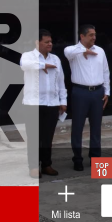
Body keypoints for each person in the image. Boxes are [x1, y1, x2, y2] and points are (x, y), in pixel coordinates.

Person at [20, 29, 67, 178]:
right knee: (34, 137)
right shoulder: (28, 56)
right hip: (33, 104)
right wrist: (43, 65)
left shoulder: (55, 59)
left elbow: (61, 81)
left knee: (48, 137)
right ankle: (34, 167)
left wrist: (63, 101)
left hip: (51, 103)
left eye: (51, 41)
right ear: (37, 42)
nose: (50, 44)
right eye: (46, 42)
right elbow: (24, 65)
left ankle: (46, 165)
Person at [64, 24, 110, 171]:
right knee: (78, 127)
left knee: (96, 127)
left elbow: (105, 71)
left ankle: (95, 158)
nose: (94, 37)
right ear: (82, 36)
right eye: (91, 35)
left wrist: (107, 91)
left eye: (95, 35)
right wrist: (83, 50)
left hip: (98, 92)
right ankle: (77, 158)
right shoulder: (73, 50)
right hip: (80, 92)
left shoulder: (100, 51)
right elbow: (67, 52)